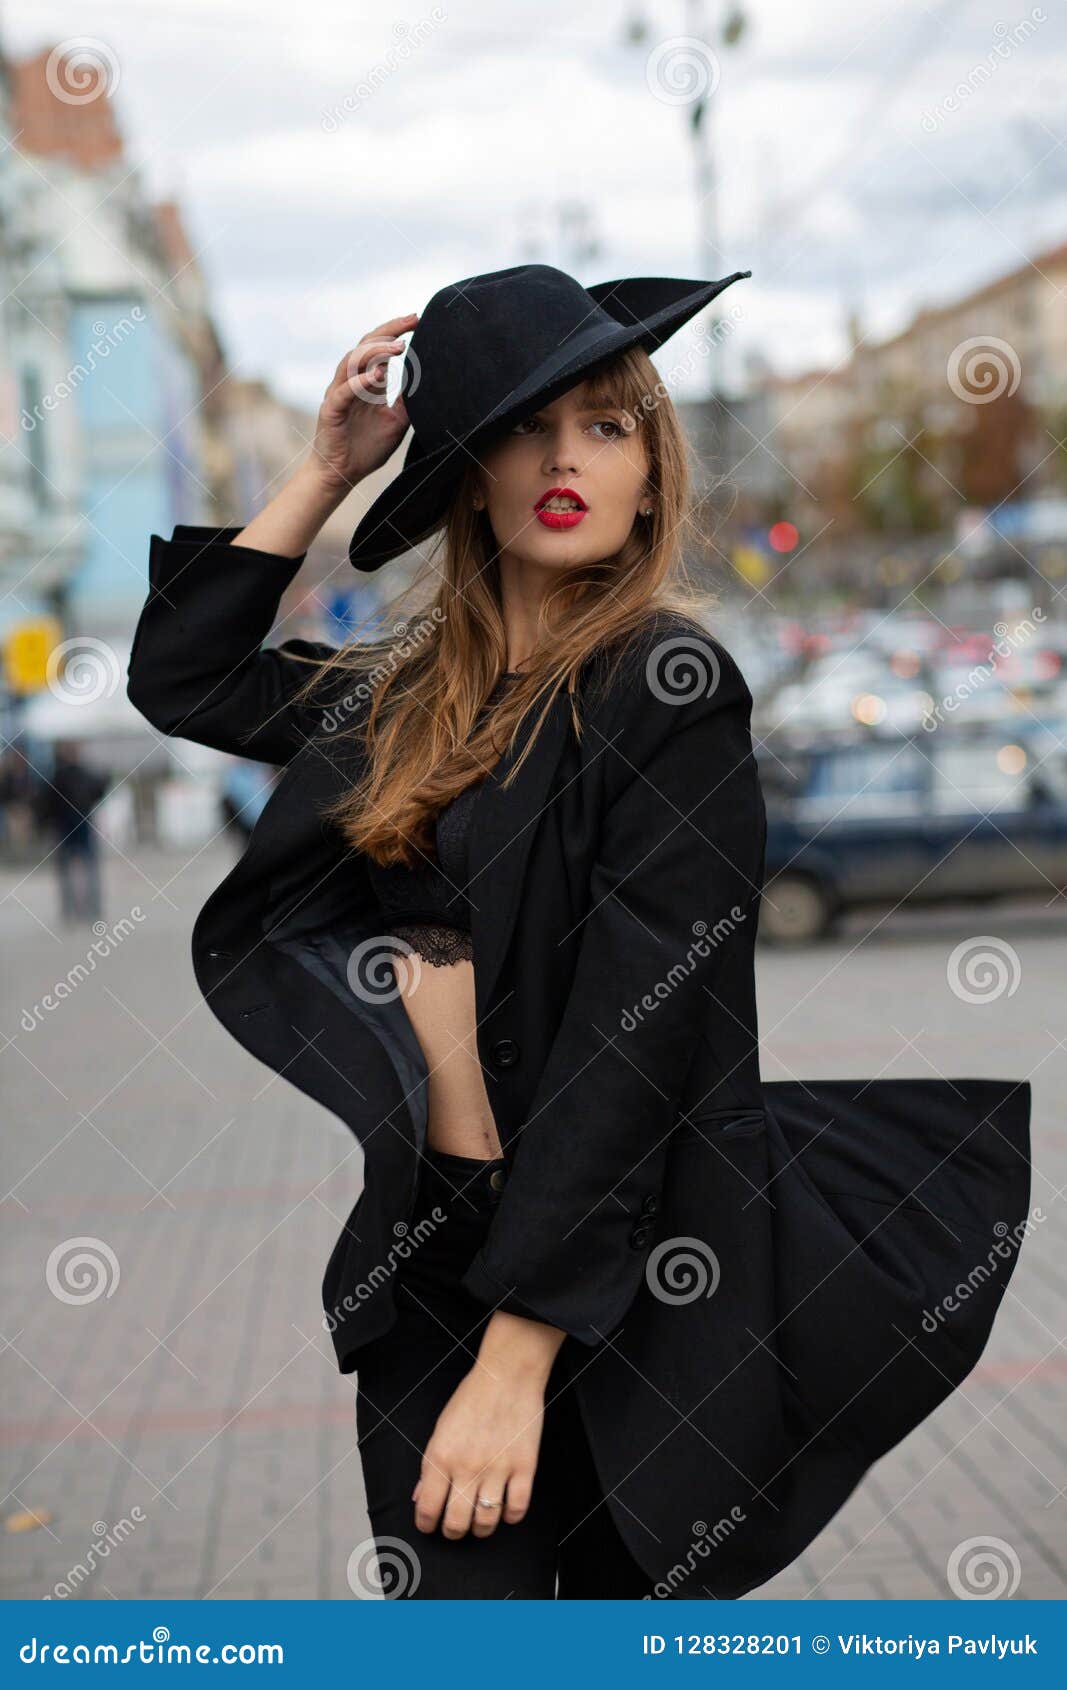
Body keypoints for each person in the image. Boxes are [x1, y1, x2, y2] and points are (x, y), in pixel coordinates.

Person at [126, 264, 1031, 1600]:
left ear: (652, 475)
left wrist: (518, 1352)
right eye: (521, 427)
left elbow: (634, 1036)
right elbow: (184, 674)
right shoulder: (406, 697)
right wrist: (324, 472)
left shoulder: (668, 692)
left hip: (623, 1280)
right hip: (428, 1251)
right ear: (466, 471)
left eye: (605, 425)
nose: (563, 458)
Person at [33, 739, 110, 925]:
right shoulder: (76, 774)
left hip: (68, 827)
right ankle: (86, 910)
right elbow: (98, 790)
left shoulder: (57, 776)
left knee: (72, 871)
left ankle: (75, 911)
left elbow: (45, 803)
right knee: (83, 869)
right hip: (74, 826)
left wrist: (43, 823)